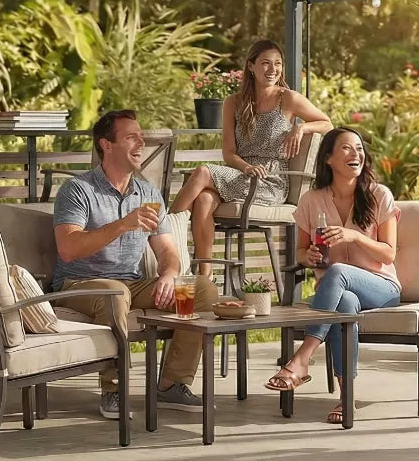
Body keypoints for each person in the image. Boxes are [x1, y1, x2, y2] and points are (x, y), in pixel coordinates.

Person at [53, 109, 204, 420]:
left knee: (199, 289)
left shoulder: (147, 193)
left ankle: (171, 384)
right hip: (79, 285)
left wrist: (169, 275)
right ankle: (114, 389)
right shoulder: (78, 190)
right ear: (106, 144)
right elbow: (68, 249)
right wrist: (122, 224)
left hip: (131, 284)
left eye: (141, 136)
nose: (141, 142)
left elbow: (167, 250)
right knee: (115, 293)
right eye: (131, 137)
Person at [170, 39, 331, 304]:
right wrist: (246, 167)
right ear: (251, 66)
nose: (273, 69)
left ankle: (166, 235)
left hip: (270, 181)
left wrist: (301, 127)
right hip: (241, 172)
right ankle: (204, 277)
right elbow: (228, 153)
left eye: (277, 64)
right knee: (204, 199)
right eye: (265, 63)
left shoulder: (288, 98)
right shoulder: (233, 102)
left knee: (201, 172)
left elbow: (327, 123)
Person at [264, 127, 401, 424]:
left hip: (381, 287)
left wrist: (355, 236)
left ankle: (302, 358)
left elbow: (389, 254)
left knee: (337, 272)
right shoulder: (311, 200)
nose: (356, 154)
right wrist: (309, 257)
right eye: (347, 148)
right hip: (338, 292)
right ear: (328, 158)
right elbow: (300, 253)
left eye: (359, 148)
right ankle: (346, 397)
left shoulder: (379, 195)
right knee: (345, 305)